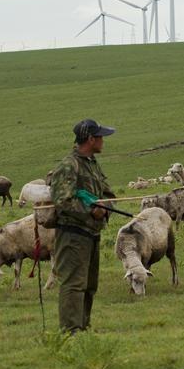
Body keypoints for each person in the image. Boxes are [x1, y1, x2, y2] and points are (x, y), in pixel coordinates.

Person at [50, 118, 116, 333]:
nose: (103, 141)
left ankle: (84, 327)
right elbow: (62, 201)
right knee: (73, 284)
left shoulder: (92, 164)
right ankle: (70, 331)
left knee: (89, 285)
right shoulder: (68, 166)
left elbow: (107, 193)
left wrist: (106, 206)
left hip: (91, 234)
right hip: (72, 236)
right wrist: (91, 210)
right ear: (90, 139)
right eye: (100, 137)